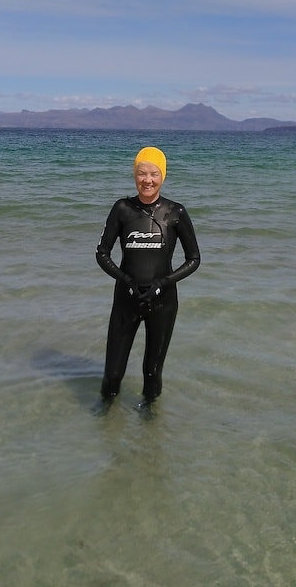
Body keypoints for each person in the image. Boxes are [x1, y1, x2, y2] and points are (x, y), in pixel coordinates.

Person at [95, 146, 201, 405]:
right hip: (126, 300)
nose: (148, 180)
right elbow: (102, 253)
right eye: (142, 173)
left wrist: (162, 283)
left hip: (163, 302)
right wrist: (127, 281)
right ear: (135, 175)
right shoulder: (122, 209)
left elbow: (194, 259)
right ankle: (106, 424)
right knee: (112, 374)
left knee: (152, 374)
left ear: (162, 176)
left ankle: (151, 429)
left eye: (154, 174)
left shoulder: (175, 212)